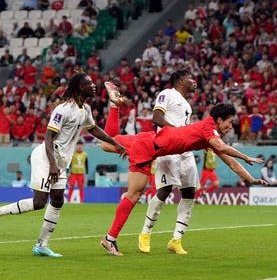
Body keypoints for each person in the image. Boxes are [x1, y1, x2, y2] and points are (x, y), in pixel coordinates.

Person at [98, 84, 267, 256]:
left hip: (148, 143)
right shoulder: (208, 130)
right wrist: (246, 157)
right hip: (147, 147)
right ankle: (110, 239)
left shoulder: (209, 135)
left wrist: (250, 179)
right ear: (219, 120)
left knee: (106, 143)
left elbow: (230, 162)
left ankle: (114, 105)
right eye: (230, 122)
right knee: (133, 194)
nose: (231, 127)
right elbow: (223, 148)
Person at [0, 73, 125, 258]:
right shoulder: (63, 110)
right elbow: (49, 137)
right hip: (46, 157)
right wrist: (52, 165)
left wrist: (115, 143)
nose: (94, 86)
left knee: (57, 200)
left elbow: (94, 129)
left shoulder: (86, 110)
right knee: (39, 202)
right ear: (80, 87)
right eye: (89, 84)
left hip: (61, 161)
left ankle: (42, 245)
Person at [137, 70, 198, 255]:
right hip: (169, 148)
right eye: (191, 78)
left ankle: (176, 239)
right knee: (164, 191)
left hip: (186, 151)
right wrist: (177, 134)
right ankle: (145, 233)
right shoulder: (167, 94)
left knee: (189, 193)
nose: (194, 81)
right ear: (181, 80)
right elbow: (156, 118)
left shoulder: (187, 104)